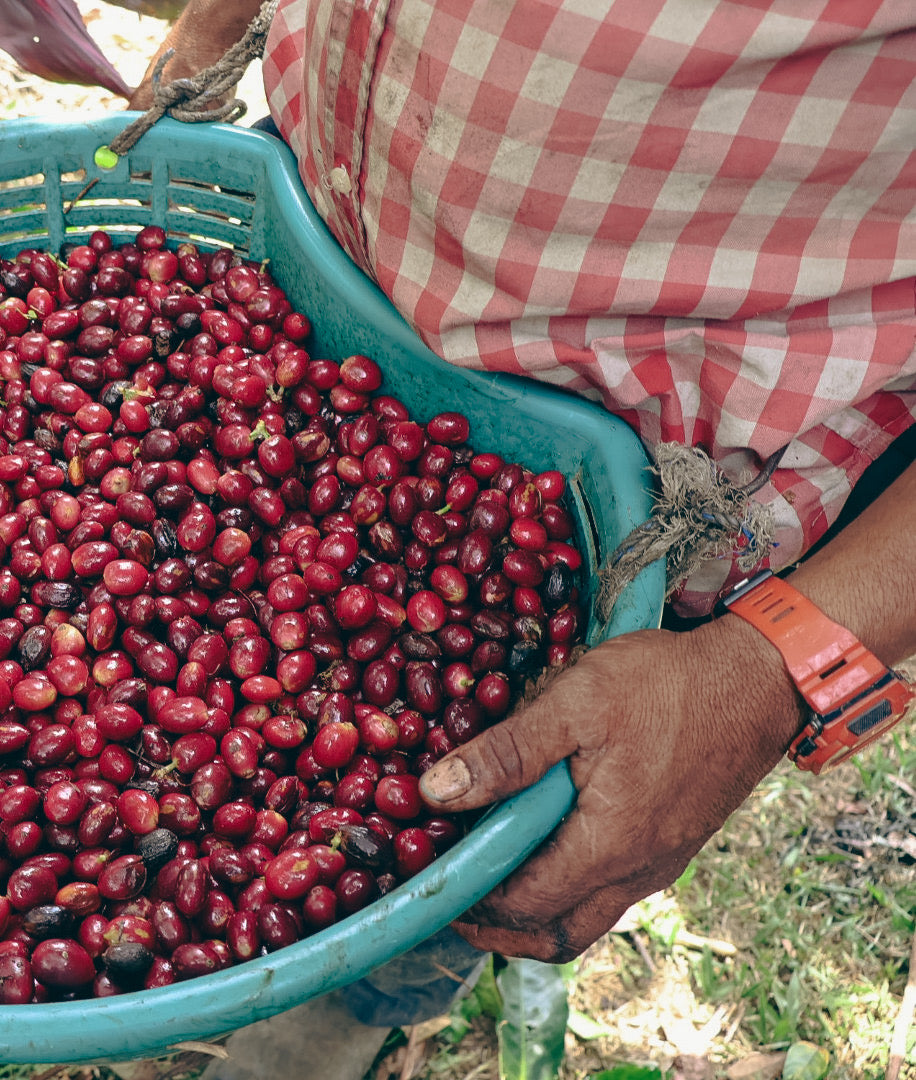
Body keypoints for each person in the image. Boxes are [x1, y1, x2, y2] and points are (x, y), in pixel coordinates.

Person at [130, 1, 916, 1076]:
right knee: (411, 787)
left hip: (649, 493)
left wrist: (777, 660)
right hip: (301, 257)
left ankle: (366, 1003)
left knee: (483, 808)